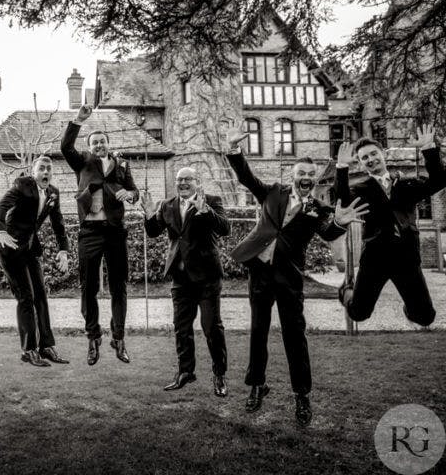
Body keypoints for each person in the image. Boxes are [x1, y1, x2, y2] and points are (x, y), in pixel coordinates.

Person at [226, 124, 367, 426]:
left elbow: (329, 233)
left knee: (295, 336)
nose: (306, 178)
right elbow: (246, 177)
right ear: (293, 174)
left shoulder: (317, 208)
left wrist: (340, 223)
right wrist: (234, 150)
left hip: (289, 279)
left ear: (314, 180)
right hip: (260, 275)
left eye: (310, 176)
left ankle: (302, 395)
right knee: (258, 332)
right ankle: (256, 386)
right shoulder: (272, 193)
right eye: (301, 173)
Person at [335, 125, 445, 326]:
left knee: (425, 317)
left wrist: (429, 148)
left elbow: (438, 181)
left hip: (406, 257)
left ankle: (410, 306)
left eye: (373, 154)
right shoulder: (361, 189)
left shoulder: (404, 185)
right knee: (359, 313)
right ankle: (346, 291)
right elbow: (342, 198)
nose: (371, 159)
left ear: (382, 154)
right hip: (375, 259)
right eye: (364, 158)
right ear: (360, 163)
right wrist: (341, 168)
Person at [60, 105, 139, 365]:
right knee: (88, 288)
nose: (99, 146)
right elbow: (65, 148)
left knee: (119, 287)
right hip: (90, 232)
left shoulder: (121, 165)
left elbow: (134, 192)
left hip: (115, 232)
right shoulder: (82, 161)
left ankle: (119, 338)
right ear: (89, 146)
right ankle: (93, 338)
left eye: (102, 142)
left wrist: (130, 195)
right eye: (94, 143)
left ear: (108, 143)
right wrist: (78, 120)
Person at [142, 167, 230, 396]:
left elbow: (225, 228)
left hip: (207, 278)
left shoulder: (211, 200)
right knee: (181, 329)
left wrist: (206, 211)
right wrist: (150, 214)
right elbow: (153, 232)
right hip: (180, 279)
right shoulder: (167, 205)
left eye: (187, 179)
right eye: (179, 179)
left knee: (212, 328)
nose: (182, 183)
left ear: (197, 181)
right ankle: (185, 372)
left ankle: (219, 375)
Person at [0, 156, 70, 367]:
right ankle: (28, 350)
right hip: (10, 247)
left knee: (41, 296)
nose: (46, 172)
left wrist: (64, 250)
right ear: (34, 171)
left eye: (49, 169)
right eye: (41, 168)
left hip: (30, 249)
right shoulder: (23, 185)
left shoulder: (53, 193)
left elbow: (58, 224)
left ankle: (46, 347)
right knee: (26, 297)